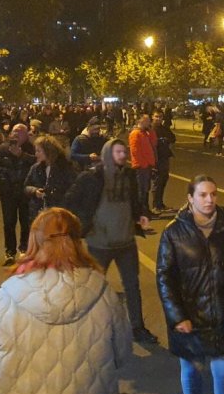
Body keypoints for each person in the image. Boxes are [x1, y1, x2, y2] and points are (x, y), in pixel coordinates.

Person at [0, 208, 133, 394]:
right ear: (77, 241)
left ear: (35, 242)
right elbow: (122, 357)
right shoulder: (104, 293)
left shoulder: (6, 297)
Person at [156, 176, 224, 394]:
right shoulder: (174, 232)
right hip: (190, 317)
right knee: (192, 370)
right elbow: (165, 277)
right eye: (203, 195)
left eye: (213, 194)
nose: (209, 200)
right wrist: (177, 316)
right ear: (190, 199)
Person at [64, 138, 158, 344]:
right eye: (118, 152)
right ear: (107, 154)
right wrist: (84, 224)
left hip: (126, 242)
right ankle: (89, 328)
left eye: (124, 152)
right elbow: (70, 200)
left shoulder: (129, 176)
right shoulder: (92, 177)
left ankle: (138, 328)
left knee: (132, 287)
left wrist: (141, 214)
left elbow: (136, 201)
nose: (123, 155)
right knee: (93, 288)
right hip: (100, 244)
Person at [0, 130, 36, 265]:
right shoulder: (3, 148)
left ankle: (24, 248)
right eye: (14, 132)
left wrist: (22, 155)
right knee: (9, 222)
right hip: (8, 191)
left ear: (25, 136)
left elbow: (38, 162)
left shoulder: (30, 148)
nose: (15, 135)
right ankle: (9, 252)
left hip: (25, 191)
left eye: (19, 133)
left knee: (25, 222)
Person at [24, 135, 78, 218]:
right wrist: (34, 191)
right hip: (38, 213)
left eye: (39, 151)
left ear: (48, 151)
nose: (36, 154)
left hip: (58, 213)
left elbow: (72, 190)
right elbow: (26, 186)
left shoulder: (65, 168)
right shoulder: (35, 168)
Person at [129, 114, 158, 215]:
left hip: (147, 165)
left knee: (146, 189)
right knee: (141, 190)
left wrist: (150, 130)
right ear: (140, 121)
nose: (149, 122)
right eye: (147, 121)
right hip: (141, 166)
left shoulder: (145, 133)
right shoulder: (135, 134)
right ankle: (142, 211)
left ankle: (146, 210)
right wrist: (144, 164)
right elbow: (135, 151)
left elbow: (154, 143)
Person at [152, 111, 176, 212]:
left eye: (160, 117)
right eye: (156, 116)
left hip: (164, 158)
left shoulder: (165, 129)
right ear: (152, 117)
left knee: (163, 181)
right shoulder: (151, 130)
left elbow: (173, 139)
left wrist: (167, 145)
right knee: (157, 183)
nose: (158, 119)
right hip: (155, 159)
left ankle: (161, 204)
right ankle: (155, 206)